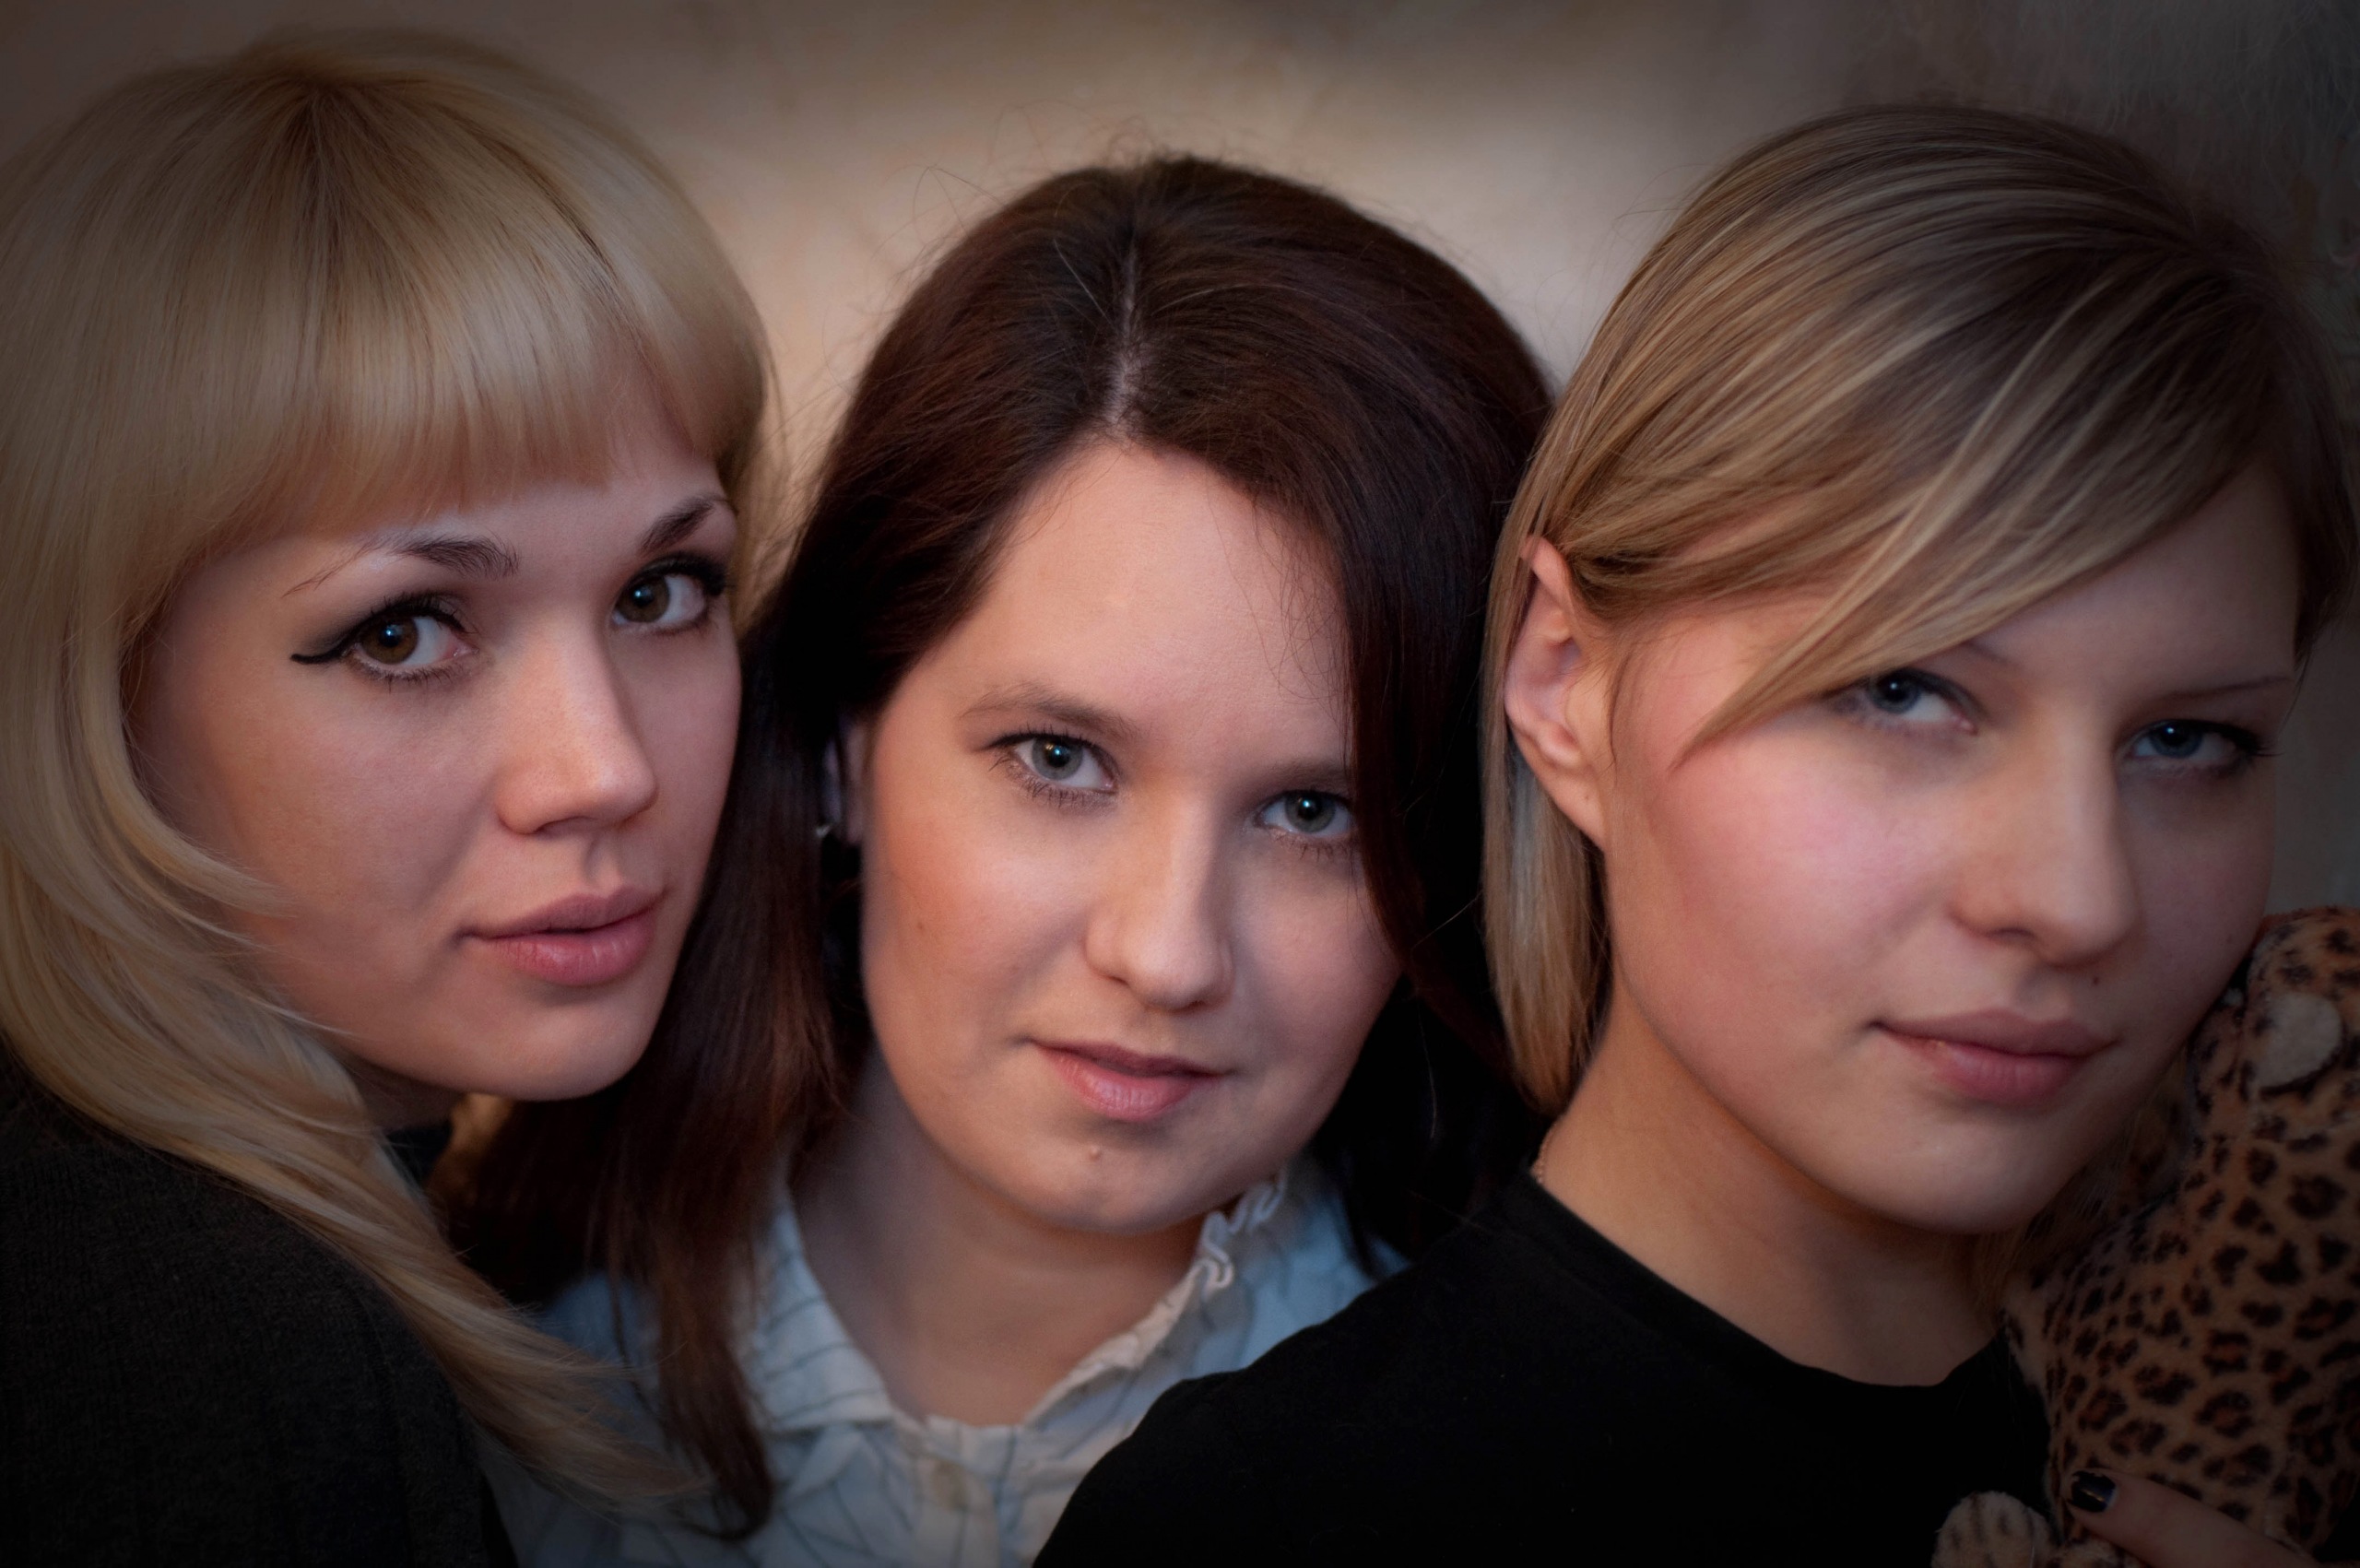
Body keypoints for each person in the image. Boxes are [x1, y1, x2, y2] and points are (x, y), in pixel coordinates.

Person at [1039, 106, 2358, 1565]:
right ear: (1566, 683)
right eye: (1903, 690)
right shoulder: (1261, 1532)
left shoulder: (2298, 1425)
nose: (2076, 897)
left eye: (2188, 739)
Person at [458, 156, 1550, 1565]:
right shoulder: (481, 1402)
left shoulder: (1524, 1469)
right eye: (1059, 758)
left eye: (1311, 812)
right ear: (844, 742)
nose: (1165, 953)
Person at [0, 30, 769, 1565]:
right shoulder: (197, 1353)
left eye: (662, 589)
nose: (605, 768)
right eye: (405, 631)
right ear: (96, 691)